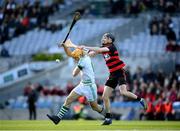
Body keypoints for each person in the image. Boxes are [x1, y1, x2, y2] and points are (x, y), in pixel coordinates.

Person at [78, 33, 148, 125]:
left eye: (106, 38)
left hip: (119, 72)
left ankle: (140, 99)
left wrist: (85, 46)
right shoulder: (102, 48)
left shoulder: (111, 47)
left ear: (110, 40)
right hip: (112, 74)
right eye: (103, 37)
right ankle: (108, 118)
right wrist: (81, 53)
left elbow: (98, 50)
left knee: (123, 92)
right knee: (104, 97)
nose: (103, 39)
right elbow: (91, 54)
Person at [47, 39, 105, 125]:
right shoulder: (85, 56)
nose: (74, 59)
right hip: (82, 84)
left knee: (95, 107)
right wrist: (65, 47)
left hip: (90, 86)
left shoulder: (83, 61)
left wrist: (76, 67)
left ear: (79, 56)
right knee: (69, 99)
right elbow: (70, 54)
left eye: (75, 58)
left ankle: (107, 115)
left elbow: (74, 74)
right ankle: (58, 118)